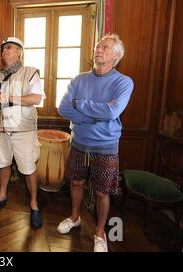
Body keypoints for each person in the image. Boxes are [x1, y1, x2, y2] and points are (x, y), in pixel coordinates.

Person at [57, 33, 134, 252]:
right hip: (79, 142)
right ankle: (74, 218)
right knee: (75, 183)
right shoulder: (79, 79)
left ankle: (100, 232)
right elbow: (63, 108)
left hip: (106, 146)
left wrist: (79, 104)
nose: (99, 49)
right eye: (98, 46)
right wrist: (93, 116)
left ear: (116, 56)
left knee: (102, 192)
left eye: (106, 47)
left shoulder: (124, 82)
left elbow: (113, 111)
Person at [0, 37, 46, 229]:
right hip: (1, 129)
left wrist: (9, 98)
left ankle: (34, 204)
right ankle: (2, 195)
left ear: (19, 51)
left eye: (8, 48)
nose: (4, 51)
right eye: (2, 49)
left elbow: (36, 98)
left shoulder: (30, 72)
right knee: (2, 164)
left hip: (23, 131)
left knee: (28, 168)